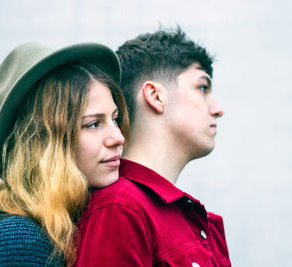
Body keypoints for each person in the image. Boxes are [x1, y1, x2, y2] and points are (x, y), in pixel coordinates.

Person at [75, 28, 231, 266]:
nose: (217, 108)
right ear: (156, 96)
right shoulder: (120, 209)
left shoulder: (175, 214)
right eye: (202, 88)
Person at [0, 42, 129, 266]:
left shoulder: (79, 221)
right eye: (93, 124)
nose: (118, 137)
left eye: (115, 119)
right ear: (42, 143)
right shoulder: (15, 244)